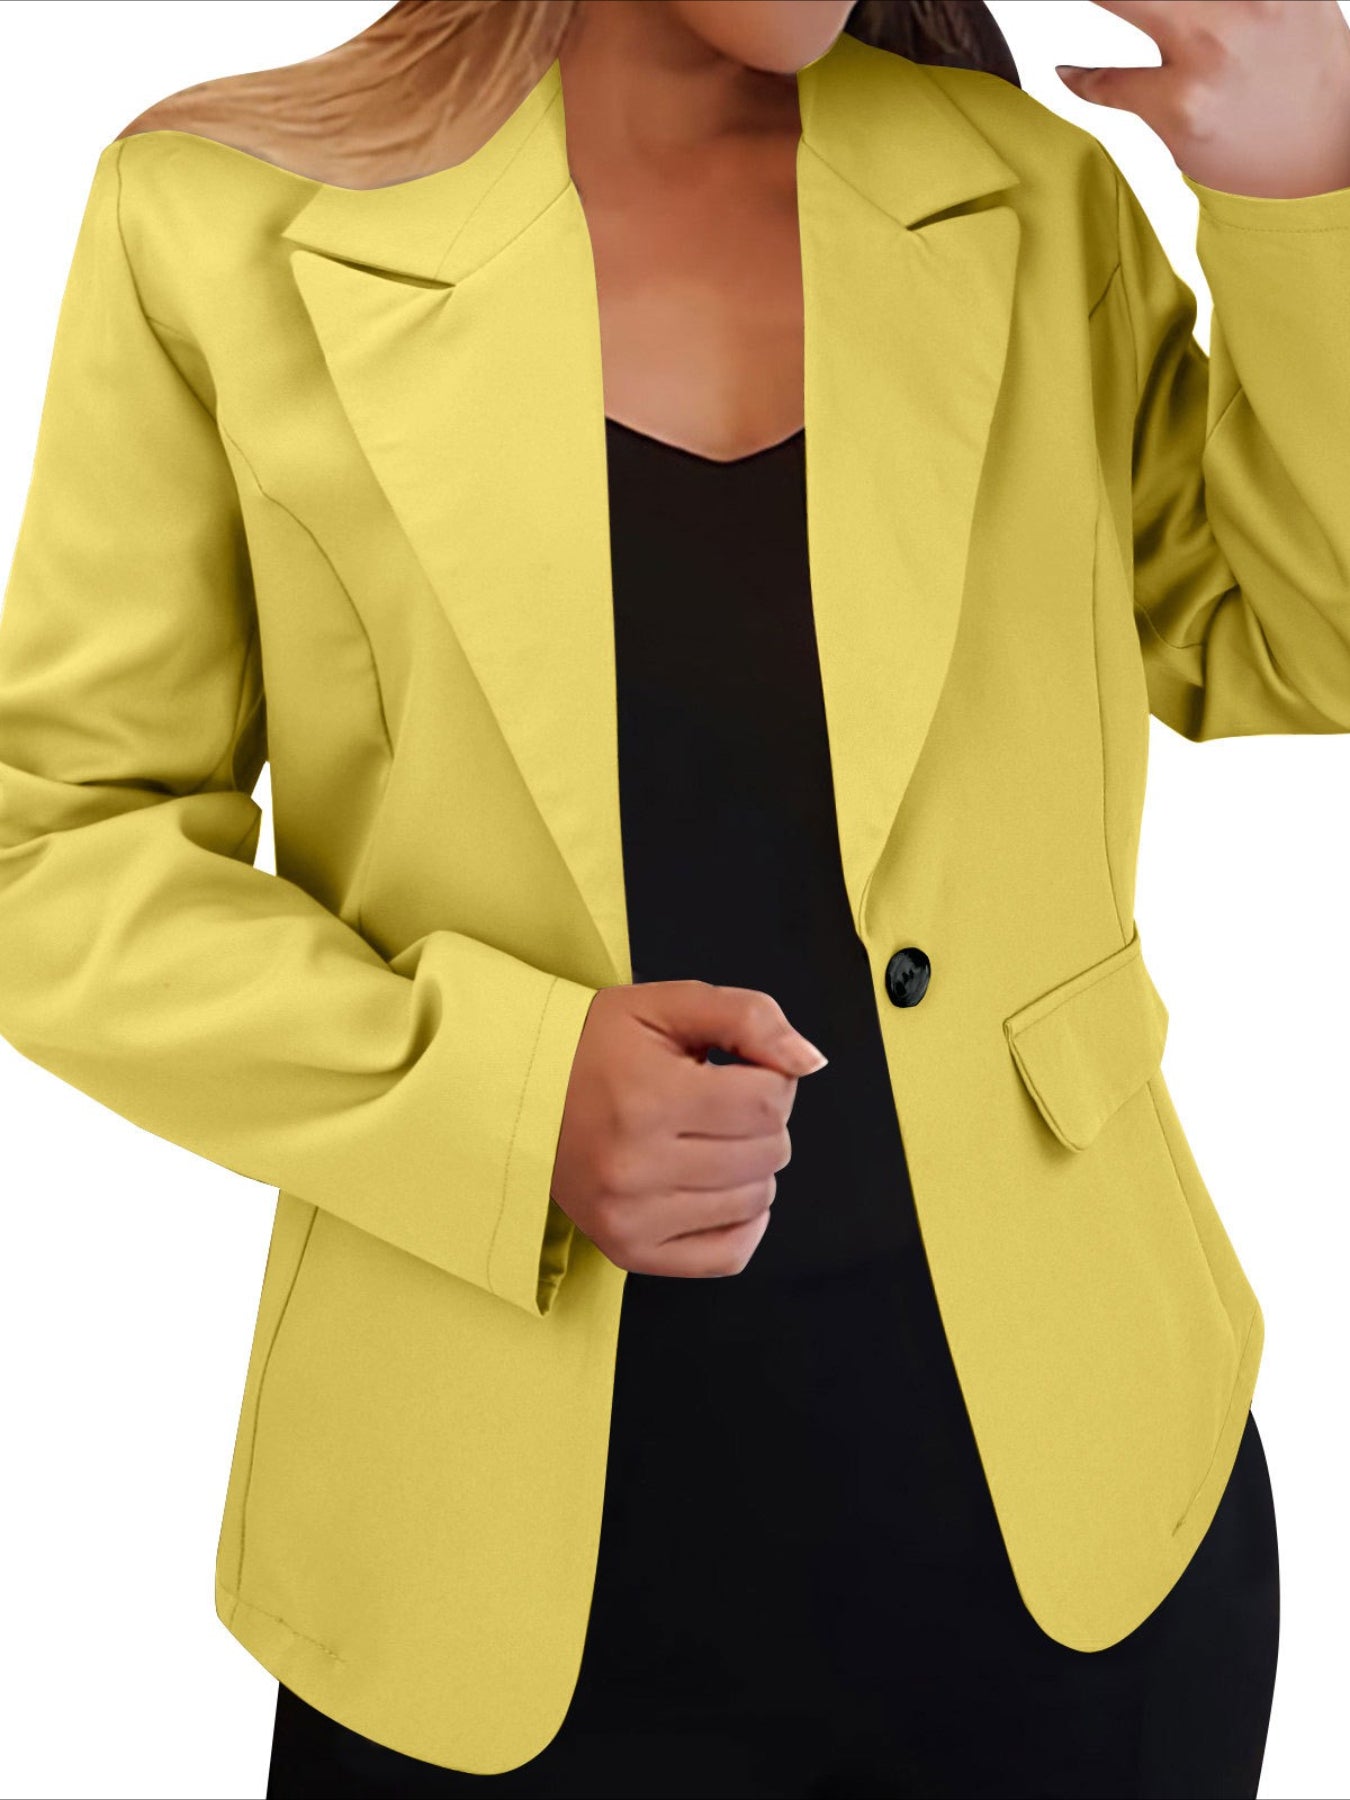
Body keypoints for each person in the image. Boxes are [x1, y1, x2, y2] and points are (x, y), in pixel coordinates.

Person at [2, 0, 1347, 1793]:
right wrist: (507, 1098)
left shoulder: (1027, 194)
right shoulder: (213, 220)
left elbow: (1295, 640)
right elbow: (52, 846)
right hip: (479, 1567)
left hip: (1078, 1534)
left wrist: (1303, 195)